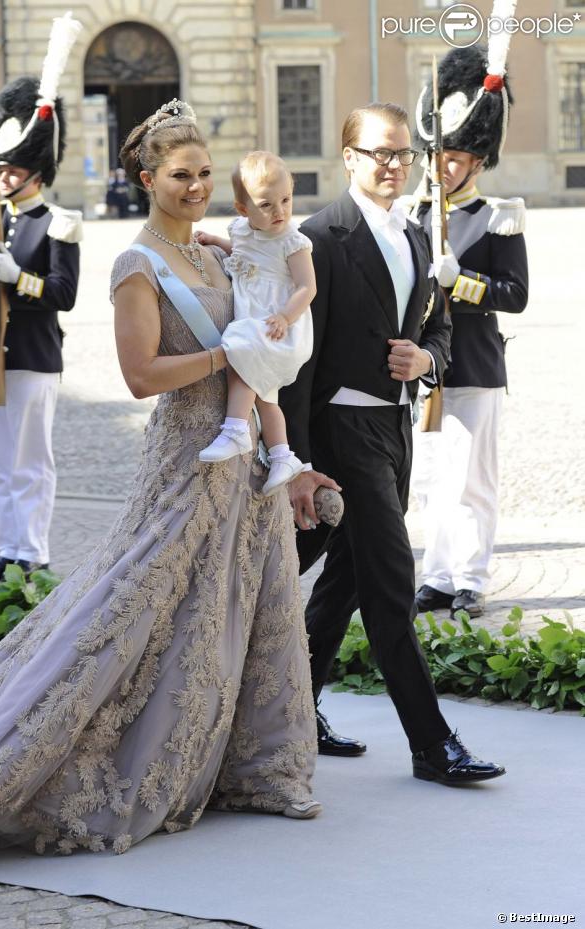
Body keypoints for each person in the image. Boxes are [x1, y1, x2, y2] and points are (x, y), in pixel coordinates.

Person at [0, 99, 320, 855]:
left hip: (246, 456)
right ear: (146, 177)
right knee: (140, 606)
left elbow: (283, 291)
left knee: (244, 600)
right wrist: (229, 353)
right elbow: (140, 376)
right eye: (179, 175)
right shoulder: (137, 264)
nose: (196, 187)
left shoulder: (217, 252)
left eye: (203, 174)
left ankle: (256, 767)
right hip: (187, 456)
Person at [279, 101, 505, 785]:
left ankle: (297, 711)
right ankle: (432, 745)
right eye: (379, 152)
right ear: (349, 158)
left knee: (343, 577)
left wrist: (426, 359)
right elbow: (297, 362)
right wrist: (297, 460)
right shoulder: (318, 237)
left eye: (402, 153)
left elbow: (439, 327)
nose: (393, 165)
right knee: (389, 584)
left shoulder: (415, 237)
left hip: (394, 428)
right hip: (340, 431)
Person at [410, 45, 528, 620]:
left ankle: (471, 578)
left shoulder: (498, 216)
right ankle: (435, 576)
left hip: (476, 363)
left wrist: (462, 283)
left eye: (458, 158)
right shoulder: (411, 215)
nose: (445, 167)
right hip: (425, 369)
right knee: (432, 479)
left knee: (471, 480)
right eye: (439, 155)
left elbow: (516, 295)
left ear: (479, 160)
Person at [0, 18, 82, 581]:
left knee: (31, 462)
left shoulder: (58, 224)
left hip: (35, 356)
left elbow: (64, 293)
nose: (2, 175)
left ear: (32, 172)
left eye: (10, 168)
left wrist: (17, 277)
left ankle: (32, 554)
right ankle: (9, 549)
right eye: (0, 167)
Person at [196, 151, 315, 496]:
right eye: (266, 205)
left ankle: (235, 429)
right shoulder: (244, 231)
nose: (280, 212)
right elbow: (245, 252)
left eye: (286, 200)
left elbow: (308, 286)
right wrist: (217, 242)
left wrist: (285, 316)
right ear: (243, 209)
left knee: (241, 350)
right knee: (265, 396)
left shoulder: (293, 241)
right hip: (256, 319)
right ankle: (282, 454)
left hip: (279, 325)